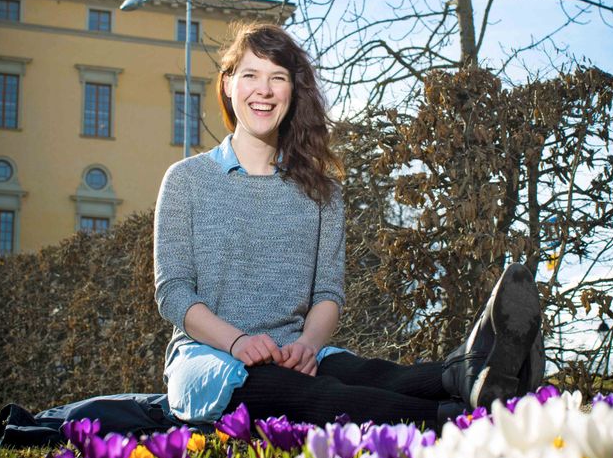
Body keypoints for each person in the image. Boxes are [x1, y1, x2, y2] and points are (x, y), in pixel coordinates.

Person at [154, 23, 545, 432]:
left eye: (278, 78)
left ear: (293, 91)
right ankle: (461, 419)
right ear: (228, 83)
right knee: (307, 394)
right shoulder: (187, 180)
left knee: (375, 375)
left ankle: (471, 371)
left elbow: (327, 294)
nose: (264, 90)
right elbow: (173, 292)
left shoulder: (320, 190)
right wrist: (237, 342)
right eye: (251, 74)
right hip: (210, 359)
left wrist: (307, 345)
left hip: (295, 353)